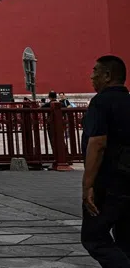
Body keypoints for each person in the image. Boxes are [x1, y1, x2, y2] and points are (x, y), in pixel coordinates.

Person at [81, 55, 130, 266]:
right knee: (126, 239)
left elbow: (98, 144)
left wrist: (88, 184)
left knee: (94, 237)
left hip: (108, 180)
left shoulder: (101, 102)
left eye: (95, 71)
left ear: (107, 76)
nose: (91, 76)